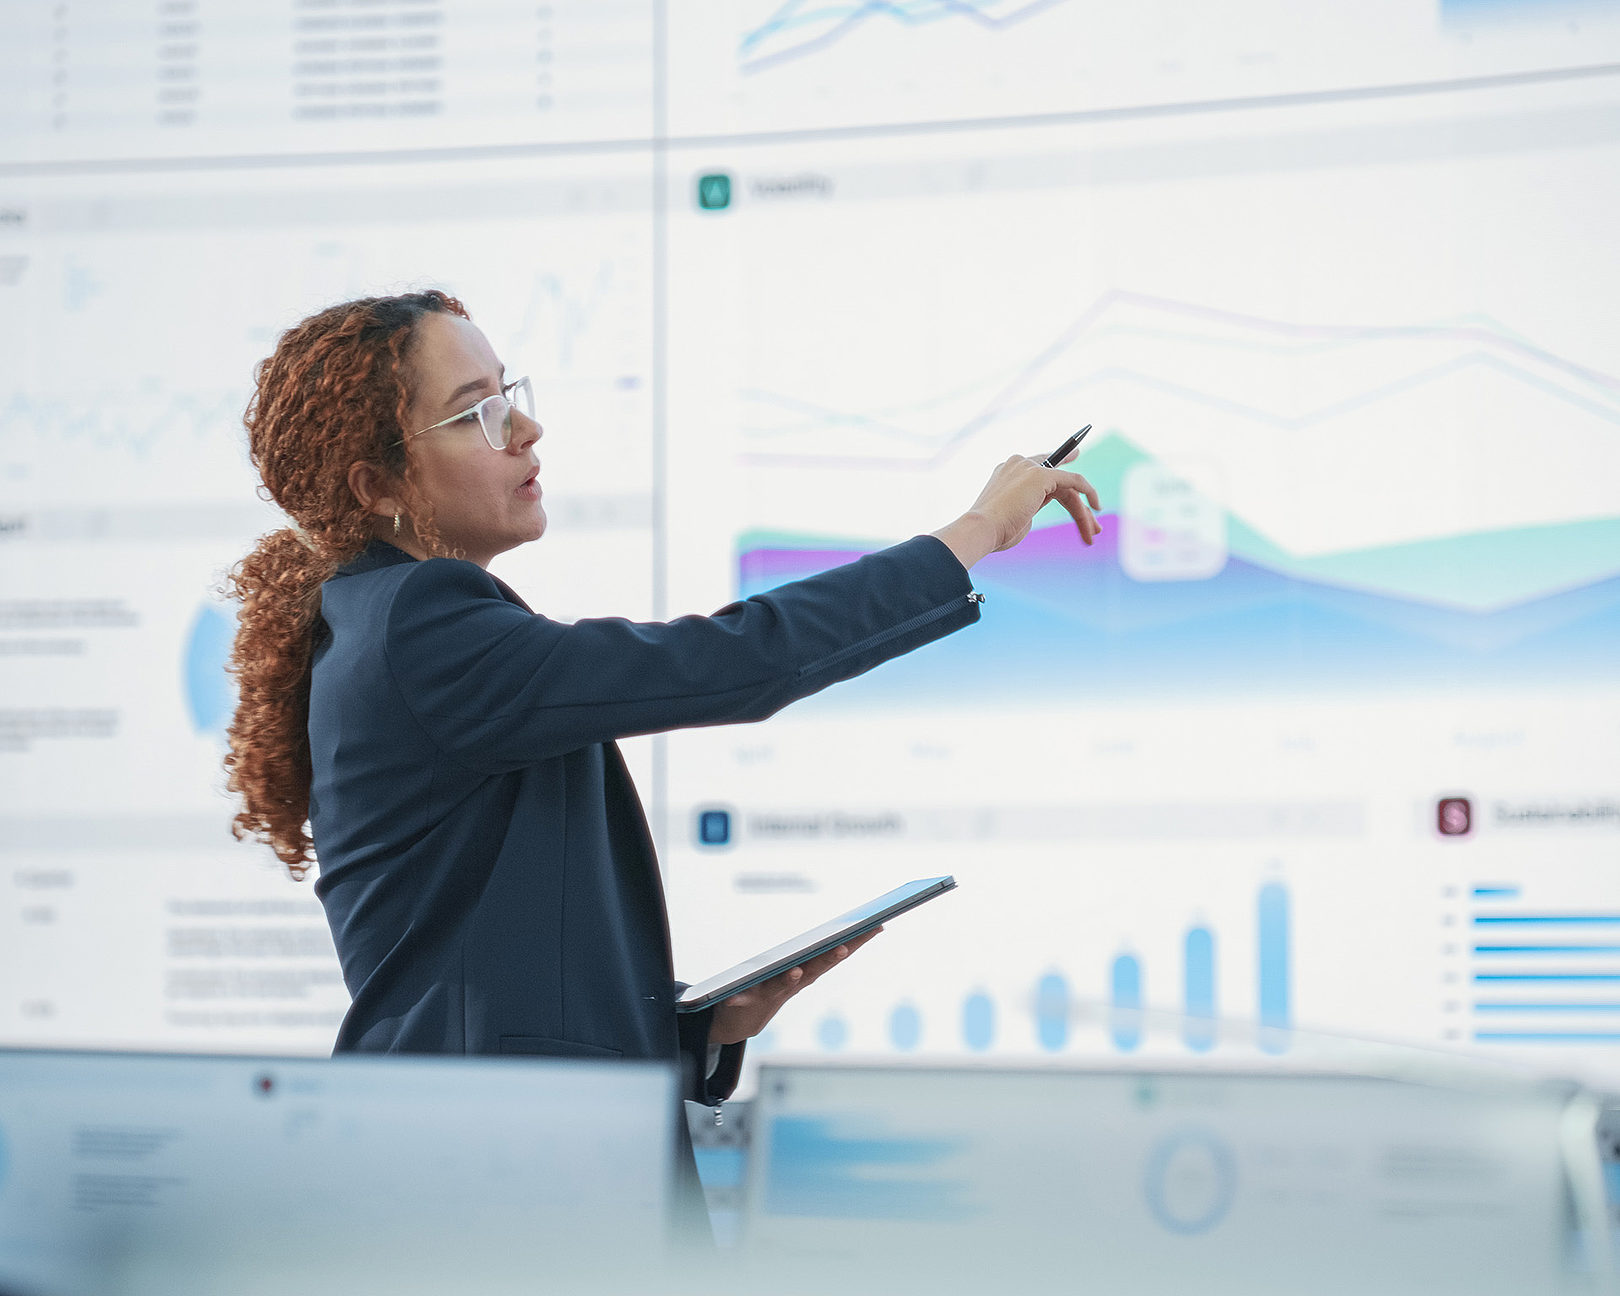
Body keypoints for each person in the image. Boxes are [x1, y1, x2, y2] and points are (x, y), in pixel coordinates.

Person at [224, 289, 1099, 1230]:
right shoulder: (422, 627)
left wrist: (699, 1028)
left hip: (482, 1163)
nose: (525, 427)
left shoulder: (389, 628)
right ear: (377, 485)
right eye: (478, 410)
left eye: (509, 390)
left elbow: (485, 982)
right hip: (490, 1182)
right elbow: (734, 661)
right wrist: (973, 535)